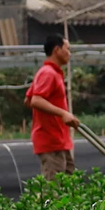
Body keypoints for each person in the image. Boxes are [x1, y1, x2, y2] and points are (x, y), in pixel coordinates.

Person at [24, 34, 77, 177]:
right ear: (57, 50)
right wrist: (62, 114)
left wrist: (51, 117)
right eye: (68, 49)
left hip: (59, 139)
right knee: (54, 189)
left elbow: (28, 100)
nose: (69, 54)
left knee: (69, 181)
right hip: (51, 140)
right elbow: (36, 100)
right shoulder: (48, 73)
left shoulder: (52, 73)